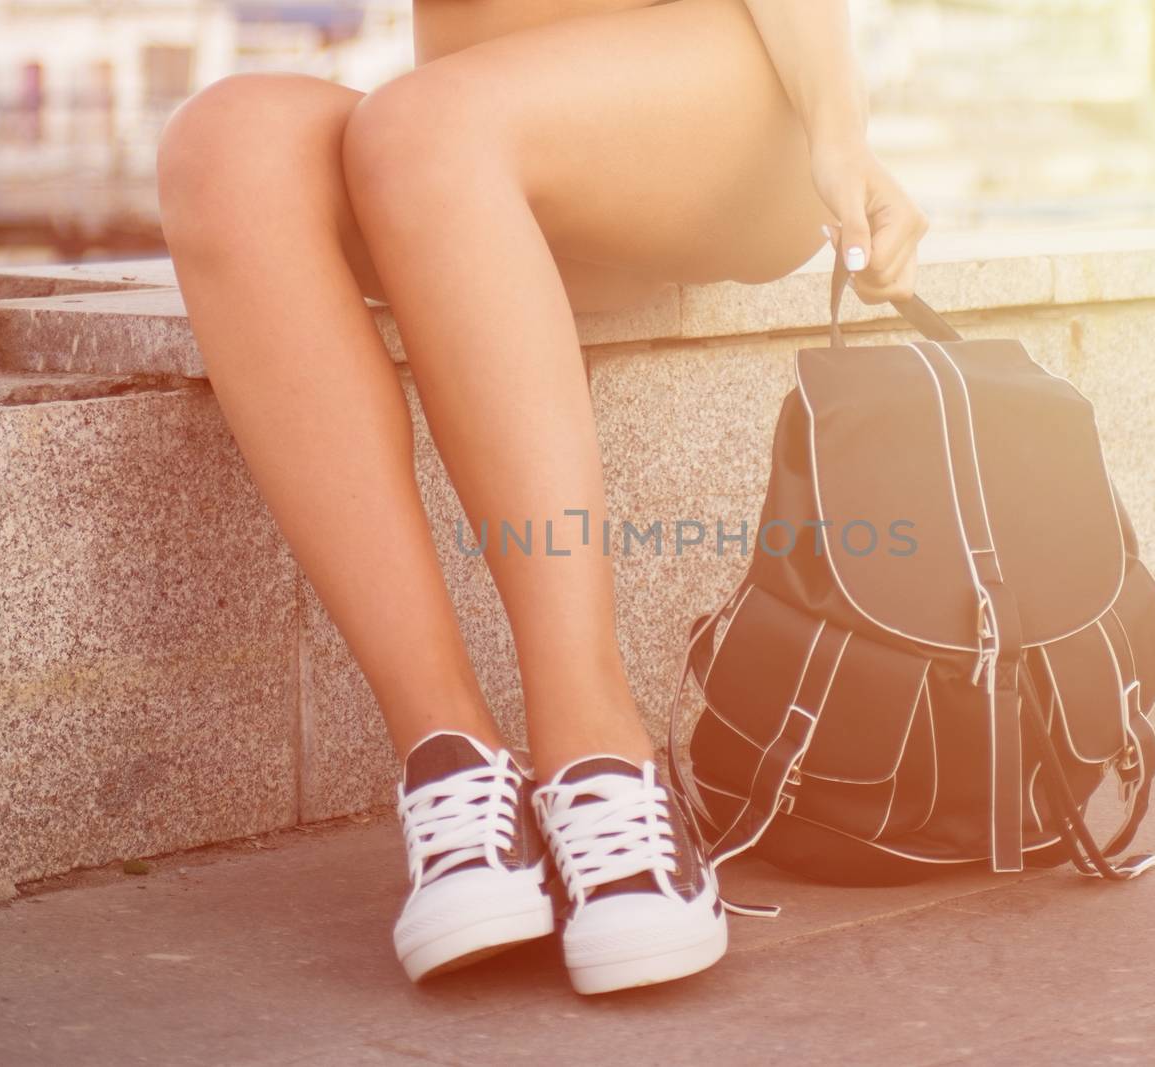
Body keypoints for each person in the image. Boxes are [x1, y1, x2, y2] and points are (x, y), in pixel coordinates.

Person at [156, 0, 926, 995]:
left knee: (424, 124)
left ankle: (599, 750)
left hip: (713, 125)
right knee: (226, 147)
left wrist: (840, 133)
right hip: (459, 165)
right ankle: (453, 764)